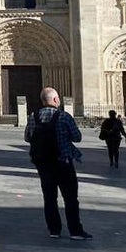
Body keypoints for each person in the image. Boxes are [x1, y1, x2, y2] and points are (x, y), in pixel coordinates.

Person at [25, 88, 90, 240]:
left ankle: (54, 230)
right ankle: (75, 231)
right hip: (63, 163)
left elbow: (28, 137)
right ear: (55, 100)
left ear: (42, 101)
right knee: (71, 198)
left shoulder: (33, 117)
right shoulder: (63, 116)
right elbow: (77, 137)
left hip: (43, 164)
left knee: (49, 197)